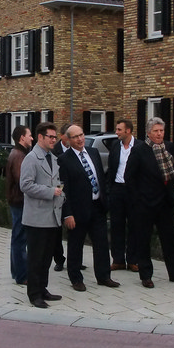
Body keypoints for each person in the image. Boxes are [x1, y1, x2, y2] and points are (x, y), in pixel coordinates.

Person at [123, 117, 174, 289]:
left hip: (165, 202)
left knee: (170, 239)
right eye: (156, 131)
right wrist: (138, 199)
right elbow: (129, 177)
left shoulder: (168, 147)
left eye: (161, 130)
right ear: (148, 133)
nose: (159, 134)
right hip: (145, 203)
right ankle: (146, 275)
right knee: (144, 240)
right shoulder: (139, 150)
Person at [59, 124, 121, 291]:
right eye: (75, 137)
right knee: (75, 245)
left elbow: (101, 177)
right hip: (77, 211)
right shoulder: (64, 160)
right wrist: (67, 214)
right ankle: (76, 279)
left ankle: (104, 276)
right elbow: (64, 190)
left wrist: (105, 199)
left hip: (97, 207)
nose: (80, 139)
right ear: (69, 140)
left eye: (81, 135)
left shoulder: (93, 153)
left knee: (101, 244)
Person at [19, 122, 65, 308]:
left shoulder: (53, 158)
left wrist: (61, 194)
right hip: (37, 218)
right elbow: (26, 185)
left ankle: (43, 288)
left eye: (55, 137)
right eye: (50, 137)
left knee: (46, 258)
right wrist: (50, 192)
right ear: (40, 137)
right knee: (36, 258)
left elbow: (58, 182)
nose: (54, 140)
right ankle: (34, 294)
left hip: (52, 216)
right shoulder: (31, 158)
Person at [106, 119, 138, 273]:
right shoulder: (115, 146)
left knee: (134, 225)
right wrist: (109, 189)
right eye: (116, 129)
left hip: (133, 191)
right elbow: (111, 168)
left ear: (128, 131)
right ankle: (118, 259)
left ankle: (133, 260)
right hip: (117, 189)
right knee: (116, 225)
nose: (116, 132)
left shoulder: (139, 147)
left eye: (119, 129)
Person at [5, 125, 32, 285]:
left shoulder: (18, 153)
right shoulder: (19, 156)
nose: (32, 138)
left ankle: (17, 272)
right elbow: (23, 181)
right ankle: (22, 275)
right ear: (22, 137)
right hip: (19, 201)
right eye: (29, 135)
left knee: (17, 237)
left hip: (16, 200)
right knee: (20, 238)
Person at [51, 122, 72, 272]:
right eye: (69, 135)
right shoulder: (54, 151)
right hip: (59, 190)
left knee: (75, 229)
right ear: (62, 136)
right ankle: (59, 259)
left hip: (74, 193)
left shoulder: (77, 150)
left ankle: (75, 259)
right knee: (57, 230)